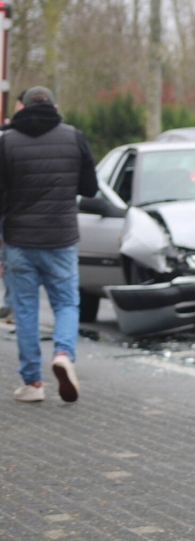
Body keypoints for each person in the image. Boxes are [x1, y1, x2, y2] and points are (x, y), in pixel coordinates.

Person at [0, 86, 98, 402]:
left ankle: (33, 384)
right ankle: (63, 354)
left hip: (19, 240)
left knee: (25, 310)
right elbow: (90, 188)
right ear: (54, 107)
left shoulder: (6, 141)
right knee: (66, 303)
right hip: (61, 238)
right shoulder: (74, 137)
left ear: (22, 107)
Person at [0, 90, 27, 323]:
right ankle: (12, 305)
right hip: (13, 212)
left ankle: (12, 304)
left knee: (11, 260)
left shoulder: (7, 137)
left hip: (12, 213)